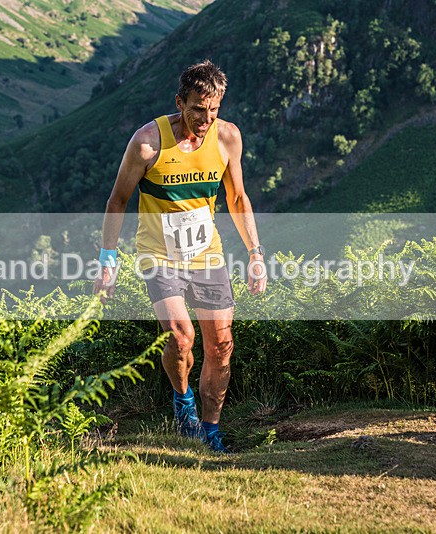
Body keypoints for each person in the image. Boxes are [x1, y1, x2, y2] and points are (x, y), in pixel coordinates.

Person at [94, 60, 266, 453]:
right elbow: (118, 200)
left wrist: (255, 253)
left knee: (221, 346)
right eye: (197, 110)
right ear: (179, 103)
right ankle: (184, 402)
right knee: (181, 335)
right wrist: (107, 260)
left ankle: (211, 430)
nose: (206, 119)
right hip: (159, 255)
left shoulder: (227, 138)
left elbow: (238, 198)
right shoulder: (147, 143)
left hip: (207, 255)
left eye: (214, 110)